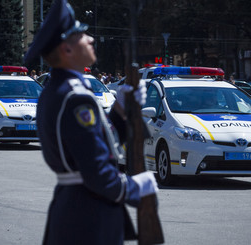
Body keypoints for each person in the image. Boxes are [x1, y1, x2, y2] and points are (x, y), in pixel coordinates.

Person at [24, 1, 158, 244]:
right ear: (66, 49)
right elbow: (96, 171)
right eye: (82, 35)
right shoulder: (75, 98)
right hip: (89, 217)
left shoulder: (57, 91)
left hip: (74, 207)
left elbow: (95, 144)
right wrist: (134, 188)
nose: (91, 39)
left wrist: (121, 110)